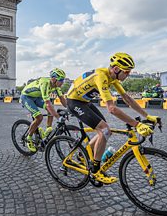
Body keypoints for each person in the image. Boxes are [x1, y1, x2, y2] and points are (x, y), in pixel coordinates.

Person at [66, 53, 160, 184]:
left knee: (104, 130)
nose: (127, 75)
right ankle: (95, 170)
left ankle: (83, 154)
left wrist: (147, 116)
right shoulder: (101, 76)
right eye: (126, 72)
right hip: (73, 101)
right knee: (104, 130)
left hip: (85, 102)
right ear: (116, 69)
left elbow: (127, 99)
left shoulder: (113, 79)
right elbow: (112, 108)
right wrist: (137, 124)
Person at [20, 68, 68, 152]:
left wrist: (70, 109)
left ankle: (48, 129)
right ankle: (29, 138)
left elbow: (62, 99)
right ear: (53, 79)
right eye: (61, 80)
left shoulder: (56, 86)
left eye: (63, 80)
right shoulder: (45, 83)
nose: (62, 82)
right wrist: (58, 117)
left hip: (36, 97)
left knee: (51, 109)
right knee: (39, 117)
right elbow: (48, 104)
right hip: (26, 97)